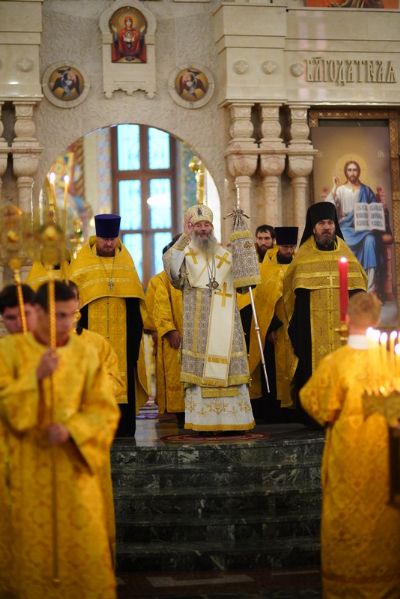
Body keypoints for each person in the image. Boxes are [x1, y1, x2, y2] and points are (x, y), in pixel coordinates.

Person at [0, 280, 119, 597]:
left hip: (73, 471)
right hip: (26, 471)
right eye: (57, 316)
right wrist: (35, 376)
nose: (65, 323)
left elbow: (104, 411)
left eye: (70, 315)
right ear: (38, 312)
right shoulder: (9, 352)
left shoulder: (86, 353)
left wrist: (72, 430)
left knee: (82, 553)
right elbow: (5, 407)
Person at [300, 291, 400, 598]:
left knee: (349, 515)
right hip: (386, 462)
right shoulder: (392, 360)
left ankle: (347, 586)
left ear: (347, 319)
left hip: (348, 458)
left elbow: (316, 405)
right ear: (376, 321)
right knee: (384, 518)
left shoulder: (337, 363)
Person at [163, 204, 254, 433]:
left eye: (207, 225)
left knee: (229, 370)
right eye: (198, 225)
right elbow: (172, 273)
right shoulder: (185, 256)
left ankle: (235, 421)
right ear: (190, 228)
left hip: (226, 324)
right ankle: (204, 422)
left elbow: (244, 285)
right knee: (201, 370)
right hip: (199, 327)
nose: (203, 229)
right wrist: (184, 237)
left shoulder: (225, 255)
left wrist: (244, 249)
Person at [282, 201, 367, 421]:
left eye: (330, 222)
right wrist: (297, 328)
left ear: (335, 225)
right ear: (313, 228)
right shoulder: (303, 258)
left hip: (344, 329)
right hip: (311, 331)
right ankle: (315, 414)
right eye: (321, 224)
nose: (327, 227)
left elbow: (359, 291)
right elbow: (290, 295)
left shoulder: (347, 257)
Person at [68, 213, 146, 437]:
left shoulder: (126, 263)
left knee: (122, 379)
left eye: (112, 239)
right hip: (90, 338)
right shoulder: (82, 264)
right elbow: (74, 306)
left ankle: (123, 428)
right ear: (97, 237)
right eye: (105, 239)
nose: (109, 243)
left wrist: (134, 343)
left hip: (123, 341)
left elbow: (134, 306)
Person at [248, 226, 299, 422]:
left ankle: (294, 409)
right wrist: (269, 327)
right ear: (278, 245)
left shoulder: (298, 264)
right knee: (272, 367)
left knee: (294, 366)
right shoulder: (267, 267)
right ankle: (274, 411)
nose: (289, 250)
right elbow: (262, 300)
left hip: (294, 326)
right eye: (285, 247)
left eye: (291, 247)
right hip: (274, 328)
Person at [325, 160, 381, 292]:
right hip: (346, 228)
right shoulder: (341, 190)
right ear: (346, 172)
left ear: (359, 172)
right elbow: (329, 205)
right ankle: (347, 285)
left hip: (364, 229)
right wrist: (334, 187)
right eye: (349, 170)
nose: (352, 173)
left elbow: (375, 210)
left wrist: (374, 224)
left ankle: (370, 287)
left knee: (370, 241)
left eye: (355, 170)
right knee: (342, 241)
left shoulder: (366, 190)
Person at [153, 241, 185, 429]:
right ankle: (180, 414)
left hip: (198, 335)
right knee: (176, 374)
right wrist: (170, 330)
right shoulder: (162, 280)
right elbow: (160, 306)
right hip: (176, 336)